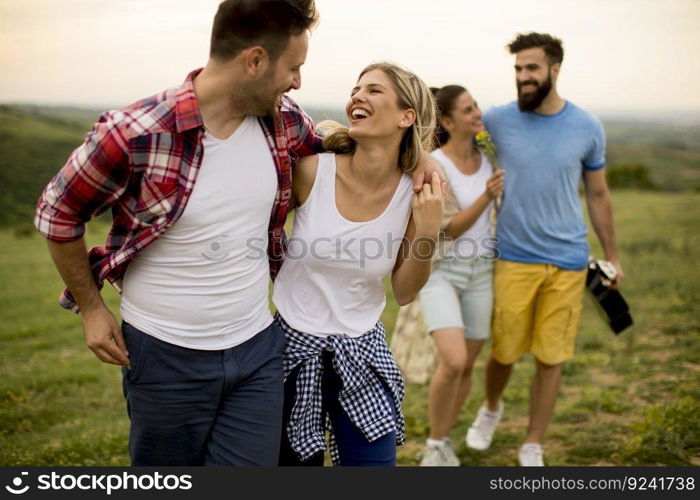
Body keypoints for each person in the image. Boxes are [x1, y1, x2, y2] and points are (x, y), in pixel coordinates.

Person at [33, 0, 322, 466]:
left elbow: (336, 151)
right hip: (163, 355)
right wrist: (91, 308)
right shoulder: (135, 133)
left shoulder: (283, 120)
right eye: (294, 67)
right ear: (254, 60)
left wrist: (418, 152)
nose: (298, 82)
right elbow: (58, 214)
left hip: (257, 349)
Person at [465, 32, 624, 466]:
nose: (523, 77)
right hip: (514, 258)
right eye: (518, 69)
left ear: (555, 69)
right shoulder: (497, 120)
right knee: (503, 351)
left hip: (570, 261)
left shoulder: (588, 127)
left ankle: (533, 441)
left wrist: (611, 256)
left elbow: (598, 195)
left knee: (551, 357)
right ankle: (492, 407)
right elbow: (454, 139)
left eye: (532, 68)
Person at [272, 62, 443, 466]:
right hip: (290, 354)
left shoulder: (416, 193)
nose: (357, 97)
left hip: (363, 355)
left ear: (407, 116)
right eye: (356, 89)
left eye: (374, 90)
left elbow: (404, 292)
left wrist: (429, 231)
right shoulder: (312, 171)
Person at [415, 85, 504, 466]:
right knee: (452, 361)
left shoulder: (490, 157)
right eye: (467, 110)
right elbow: (445, 229)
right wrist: (485, 196)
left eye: (476, 106)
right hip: (442, 273)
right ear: (447, 121)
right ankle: (434, 446)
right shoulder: (435, 164)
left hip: (483, 271)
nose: (476, 113)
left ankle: (444, 439)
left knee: (467, 365)